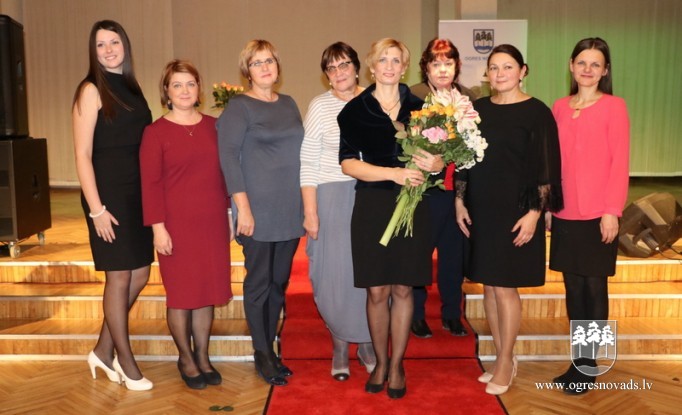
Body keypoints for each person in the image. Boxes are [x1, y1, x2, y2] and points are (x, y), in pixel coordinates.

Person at [455, 44, 563, 396]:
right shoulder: (478, 109)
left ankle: (504, 361)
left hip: (517, 210)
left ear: (523, 71)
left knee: (504, 286)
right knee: (488, 284)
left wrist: (534, 213)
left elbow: (547, 167)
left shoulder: (537, 112)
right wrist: (459, 200)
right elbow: (465, 158)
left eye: (507, 67)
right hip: (482, 208)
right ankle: (505, 356)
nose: (500, 74)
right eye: (494, 67)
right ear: (487, 73)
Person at [338, 38, 442, 399]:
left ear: (404, 67)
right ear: (371, 66)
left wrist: (437, 163)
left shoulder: (423, 108)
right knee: (377, 289)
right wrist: (393, 174)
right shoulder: (355, 110)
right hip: (372, 205)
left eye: (396, 60)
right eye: (382, 59)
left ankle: (397, 364)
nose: (389, 66)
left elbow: (439, 158)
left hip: (414, 205)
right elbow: (348, 163)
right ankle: (380, 362)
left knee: (403, 288)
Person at [140, 60, 233, 390]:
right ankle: (186, 359)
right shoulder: (155, 132)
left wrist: (229, 214)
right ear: (166, 91)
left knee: (206, 292)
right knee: (181, 295)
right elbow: (150, 184)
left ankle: (203, 357)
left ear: (199, 89)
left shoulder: (215, 127)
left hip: (212, 221)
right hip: (176, 226)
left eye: (190, 84)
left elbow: (225, 175)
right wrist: (158, 228)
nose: (184, 90)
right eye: (177, 85)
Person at [217, 39, 304, 387]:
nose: (265, 67)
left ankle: (270, 348)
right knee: (259, 284)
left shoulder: (289, 103)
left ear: (278, 66)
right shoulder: (240, 107)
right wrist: (243, 209)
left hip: (290, 209)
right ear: (247, 71)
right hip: (256, 211)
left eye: (269, 61)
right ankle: (262, 353)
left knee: (279, 283)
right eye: (257, 63)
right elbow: (228, 158)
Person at [73, 20, 153, 391]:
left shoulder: (132, 87)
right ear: (94, 52)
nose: (108, 50)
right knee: (118, 277)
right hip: (107, 196)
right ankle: (125, 361)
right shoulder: (90, 89)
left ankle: (103, 351)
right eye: (101, 45)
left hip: (136, 194)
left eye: (114, 42)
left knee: (141, 274)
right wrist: (96, 209)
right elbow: (82, 154)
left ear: (125, 46)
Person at [549, 37, 629, 395]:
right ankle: (577, 362)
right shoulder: (559, 107)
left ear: (605, 70)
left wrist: (612, 211)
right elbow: (553, 162)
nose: (587, 69)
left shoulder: (614, 106)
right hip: (565, 211)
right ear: (571, 65)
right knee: (573, 289)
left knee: (595, 288)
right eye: (582, 62)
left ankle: (589, 365)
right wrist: (549, 206)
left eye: (595, 64)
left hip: (599, 214)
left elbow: (620, 163)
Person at [300, 42, 376, 381]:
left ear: (357, 68)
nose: (339, 72)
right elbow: (307, 161)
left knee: (369, 273)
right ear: (326, 75)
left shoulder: (376, 100)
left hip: (372, 194)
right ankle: (340, 344)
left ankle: (368, 343)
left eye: (344, 64)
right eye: (331, 68)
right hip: (331, 195)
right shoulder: (320, 106)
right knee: (333, 276)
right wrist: (310, 211)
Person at [408, 38, 476, 339]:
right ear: (426, 67)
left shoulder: (469, 97)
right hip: (425, 191)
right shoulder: (414, 96)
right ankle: (416, 314)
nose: (443, 70)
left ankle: (451, 314)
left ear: (457, 66)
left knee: (454, 257)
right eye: (436, 64)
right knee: (419, 255)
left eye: (448, 63)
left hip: (457, 192)